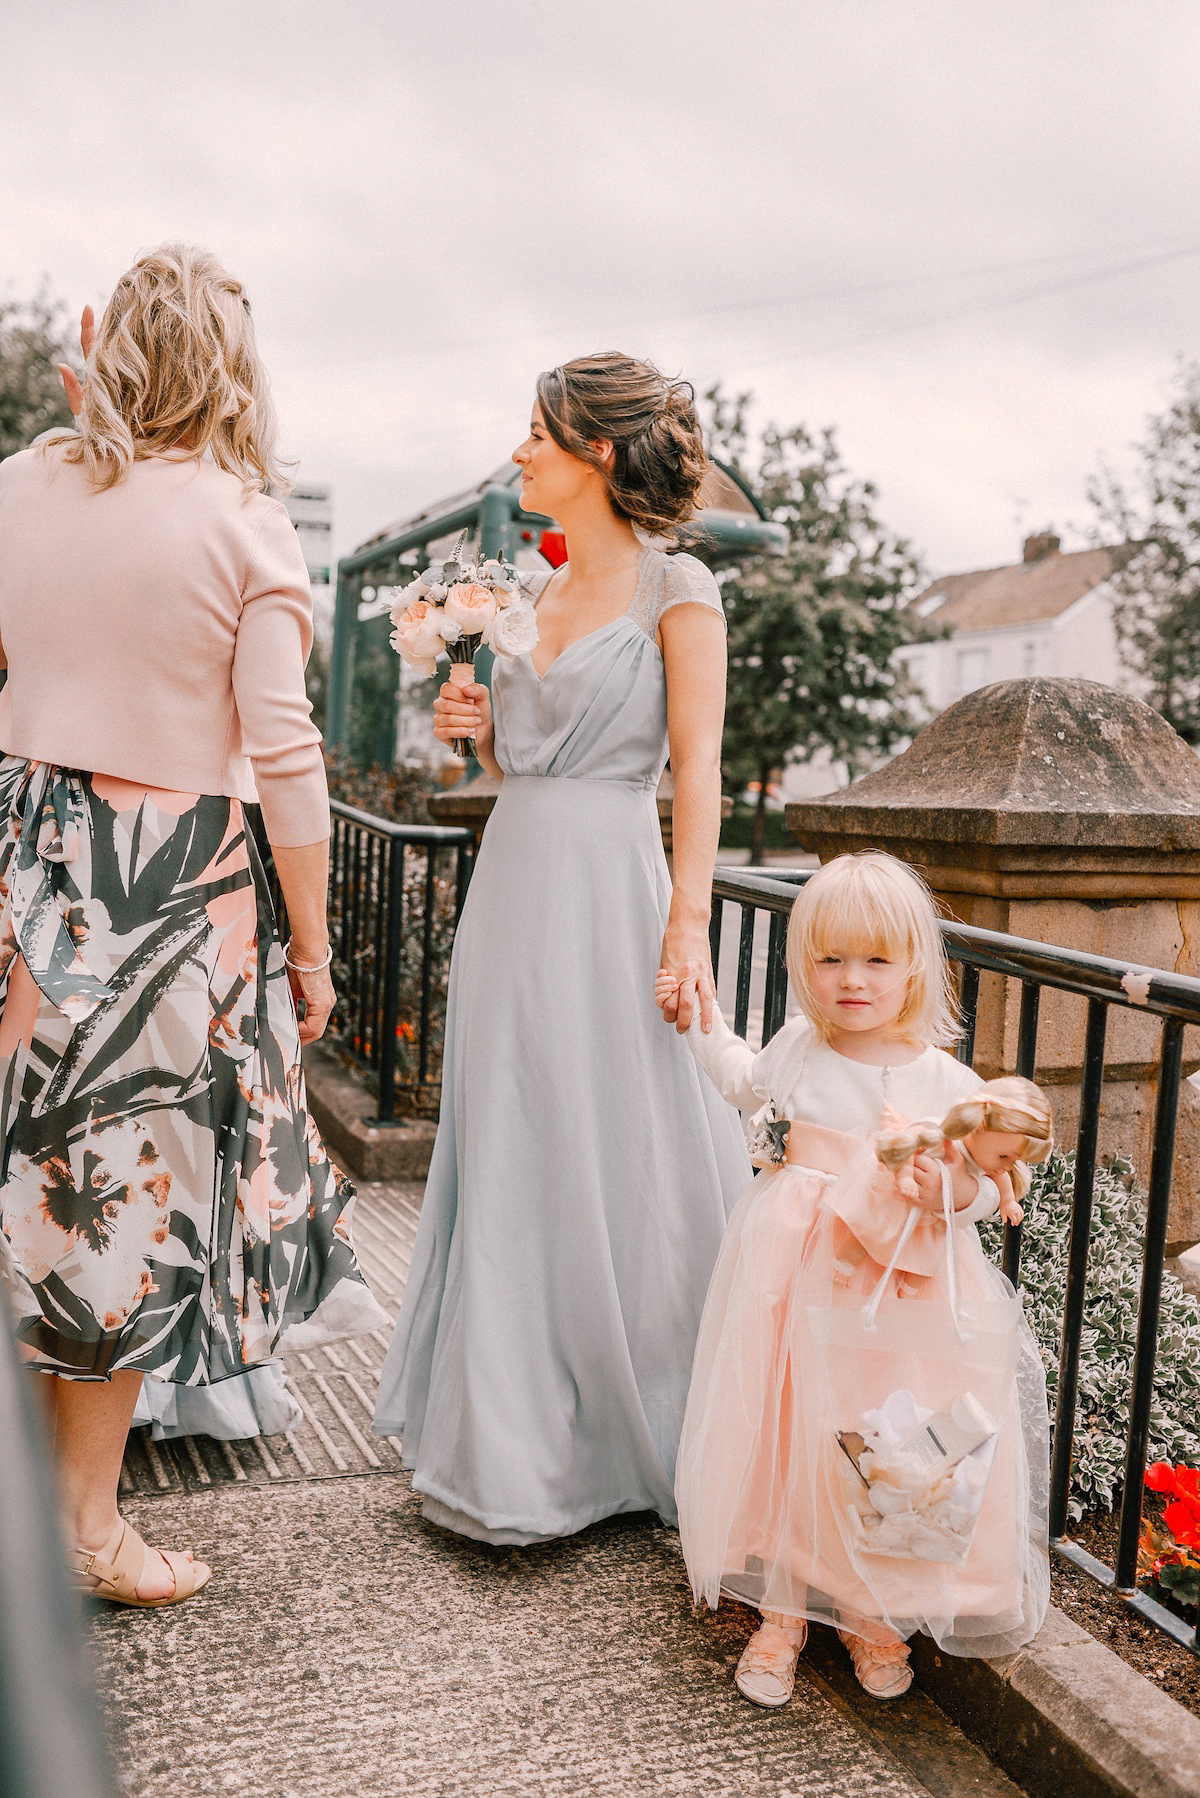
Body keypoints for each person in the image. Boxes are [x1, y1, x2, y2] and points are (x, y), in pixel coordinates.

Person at [0, 243, 386, 1607]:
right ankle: (89, 1529)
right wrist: (316, 948)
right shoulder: (241, 522)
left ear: (110, 346)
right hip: (164, 888)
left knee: (22, 1169)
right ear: (232, 367)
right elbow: (288, 760)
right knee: (117, 1195)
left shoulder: (19, 487)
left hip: (22, 853)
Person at [373, 353, 750, 1543]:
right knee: (515, 1134)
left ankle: (631, 1428)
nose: (520, 451)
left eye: (538, 433)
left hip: (614, 893)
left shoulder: (678, 588)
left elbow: (699, 775)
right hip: (515, 882)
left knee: (616, 1140)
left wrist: (687, 922)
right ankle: (513, 1447)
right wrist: (469, 728)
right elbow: (508, 769)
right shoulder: (526, 589)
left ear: (596, 450)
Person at [670, 852, 1050, 1706]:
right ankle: (785, 1609)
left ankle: (873, 1610)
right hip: (796, 1273)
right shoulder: (802, 1048)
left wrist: (946, 1192)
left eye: (877, 960)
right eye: (830, 959)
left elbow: (989, 1190)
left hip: (898, 1290)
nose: (852, 980)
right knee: (794, 1430)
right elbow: (742, 1081)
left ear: (915, 964)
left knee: (880, 1438)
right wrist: (696, 1017)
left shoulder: (947, 1081)